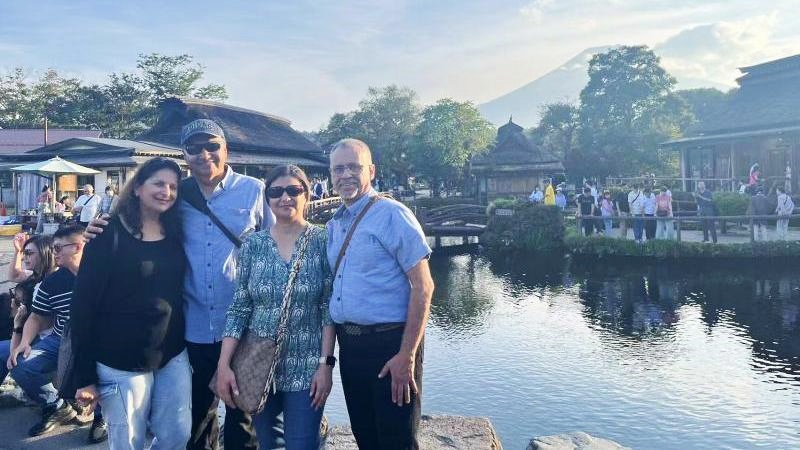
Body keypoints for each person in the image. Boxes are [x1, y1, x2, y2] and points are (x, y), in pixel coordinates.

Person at [86, 119, 271, 450]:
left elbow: (277, 245)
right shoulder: (176, 194)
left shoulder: (255, 190)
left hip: (242, 325)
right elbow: (139, 221)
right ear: (185, 154)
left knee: (242, 415)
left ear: (226, 149)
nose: (204, 154)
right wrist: (101, 228)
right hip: (192, 327)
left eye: (212, 146)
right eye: (194, 148)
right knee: (197, 419)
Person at [72, 158, 190, 450]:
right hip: (120, 359)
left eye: (173, 186)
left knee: (177, 436)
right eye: (158, 183)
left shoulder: (177, 231)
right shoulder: (107, 233)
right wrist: (85, 377)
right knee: (128, 443)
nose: (166, 192)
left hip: (171, 353)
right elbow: (82, 306)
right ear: (137, 187)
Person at [217, 165, 335, 449]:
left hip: (306, 364)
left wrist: (325, 365)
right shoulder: (253, 245)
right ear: (267, 197)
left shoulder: (322, 240)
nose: (285, 198)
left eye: (294, 190)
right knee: (268, 443)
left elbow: (327, 308)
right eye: (276, 191)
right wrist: (224, 365)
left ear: (307, 194)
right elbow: (240, 307)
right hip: (258, 364)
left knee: (301, 444)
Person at [327, 138, 434, 449]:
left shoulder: (392, 214)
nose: (345, 175)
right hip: (351, 346)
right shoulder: (335, 225)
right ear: (331, 175)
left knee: (396, 439)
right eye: (338, 169)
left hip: (391, 345)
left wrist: (407, 355)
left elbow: (423, 286)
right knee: (366, 436)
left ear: (371, 171)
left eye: (354, 167)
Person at [8, 226, 85, 436]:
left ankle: (101, 417)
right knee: (19, 364)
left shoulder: (103, 274)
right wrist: (24, 342)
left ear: (78, 247)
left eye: (58, 248)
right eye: (53, 248)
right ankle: (58, 405)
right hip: (61, 339)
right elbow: (36, 317)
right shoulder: (52, 282)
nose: (54, 252)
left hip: (96, 341)